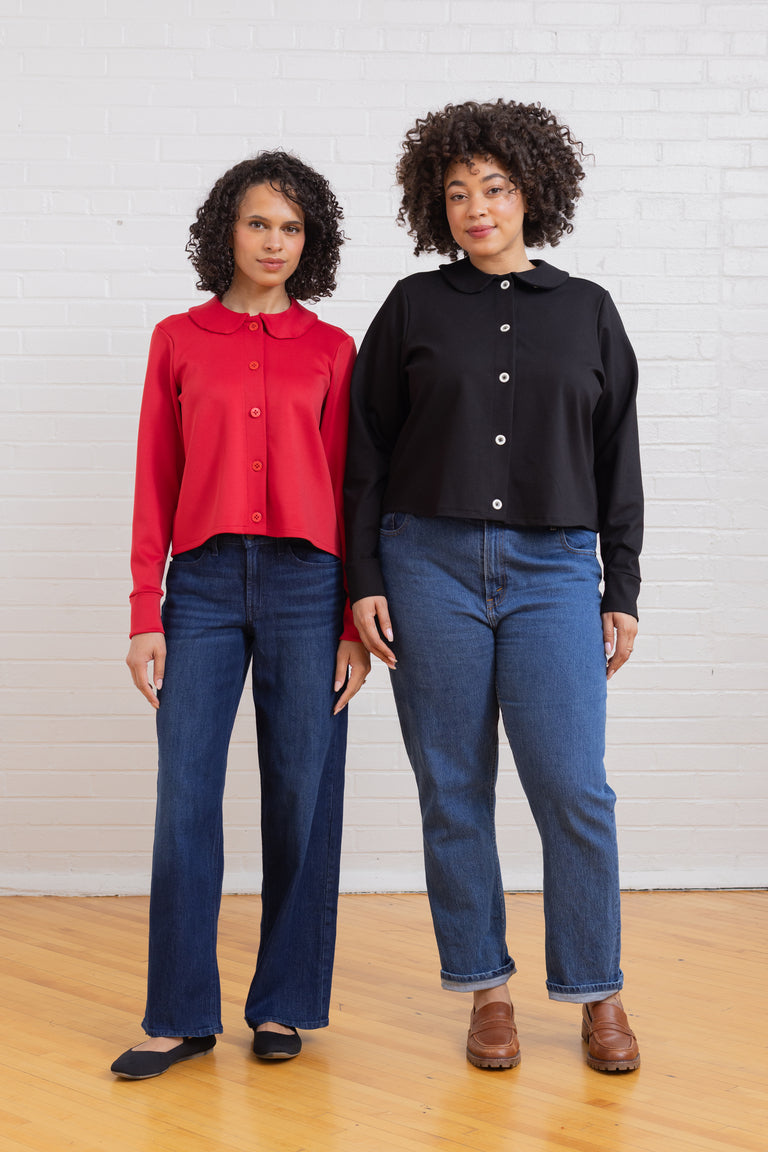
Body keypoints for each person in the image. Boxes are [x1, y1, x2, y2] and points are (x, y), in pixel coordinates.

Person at [345, 100, 643, 1073]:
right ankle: (486, 989)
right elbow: (366, 453)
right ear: (439, 206)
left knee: (573, 788)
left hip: (555, 570)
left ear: (532, 193)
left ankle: (596, 993)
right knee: (454, 788)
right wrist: (366, 577)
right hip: (426, 566)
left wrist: (620, 587)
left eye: (497, 189)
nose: (478, 208)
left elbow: (617, 459)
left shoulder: (588, 307)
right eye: (459, 193)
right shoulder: (411, 309)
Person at [112, 151, 369, 1080]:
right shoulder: (178, 339)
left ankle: (285, 1005)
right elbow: (154, 476)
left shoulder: (334, 352)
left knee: (304, 791)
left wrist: (352, 621)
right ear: (228, 228)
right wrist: (149, 608)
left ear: (313, 242)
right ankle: (181, 1015)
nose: (274, 242)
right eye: (260, 222)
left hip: (312, 585)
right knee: (186, 797)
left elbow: (351, 489)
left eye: (292, 228)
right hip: (206, 586)